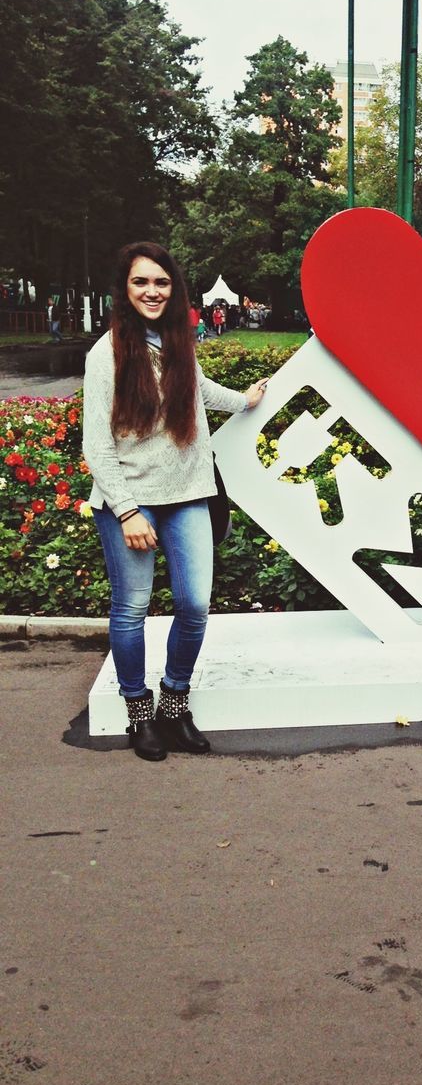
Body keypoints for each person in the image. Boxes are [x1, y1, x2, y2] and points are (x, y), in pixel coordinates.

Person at [82, 242, 269, 762]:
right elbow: (95, 444)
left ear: (174, 289)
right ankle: (138, 713)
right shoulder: (107, 353)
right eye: (141, 282)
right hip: (130, 502)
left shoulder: (178, 340)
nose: (152, 291)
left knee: (193, 605)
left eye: (161, 282)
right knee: (131, 610)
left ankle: (174, 703)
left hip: (188, 495)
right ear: (124, 289)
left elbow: (198, 391)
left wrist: (246, 400)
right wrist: (125, 510)